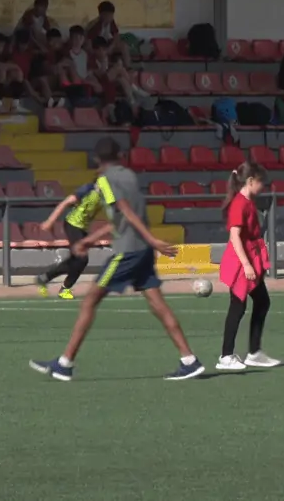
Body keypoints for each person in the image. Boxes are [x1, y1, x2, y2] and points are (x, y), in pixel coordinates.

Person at [29, 138, 205, 382]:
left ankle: (64, 363)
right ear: (120, 155)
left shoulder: (105, 180)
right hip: (141, 250)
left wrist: (152, 239)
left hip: (128, 251)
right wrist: (90, 240)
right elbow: (120, 220)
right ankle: (189, 360)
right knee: (157, 304)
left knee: (89, 301)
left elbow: (126, 212)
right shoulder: (130, 176)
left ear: (97, 161)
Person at [216, 162, 280, 371]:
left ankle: (254, 352)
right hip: (241, 261)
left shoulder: (248, 201)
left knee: (262, 301)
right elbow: (234, 236)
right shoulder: (239, 203)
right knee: (238, 306)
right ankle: (226, 355)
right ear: (251, 181)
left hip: (250, 257)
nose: (264, 187)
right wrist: (246, 264)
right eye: (262, 183)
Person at [35, 181, 103, 300]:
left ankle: (45, 277)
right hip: (73, 224)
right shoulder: (87, 189)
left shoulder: (110, 195)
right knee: (81, 258)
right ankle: (64, 288)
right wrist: (50, 221)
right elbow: (65, 202)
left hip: (83, 228)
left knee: (77, 260)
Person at [86, 1, 131, 68]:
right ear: (102, 14)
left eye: (112, 15)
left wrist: (111, 47)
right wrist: (99, 51)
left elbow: (116, 37)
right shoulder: (94, 26)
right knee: (102, 53)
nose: (111, 17)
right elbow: (88, 46)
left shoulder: (111, 22)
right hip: (96, 47)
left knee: (124, 46)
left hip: (107, 45)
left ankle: (128, 67)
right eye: (109, 15)